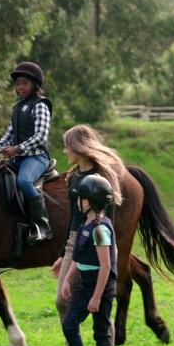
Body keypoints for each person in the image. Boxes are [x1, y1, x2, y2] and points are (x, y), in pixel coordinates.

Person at [51, 125, 124, 323]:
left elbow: (109, 217)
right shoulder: (73, 177)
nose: (65, 151)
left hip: (98, 238)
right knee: (61, 300)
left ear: (77, 147)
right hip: (76, 239)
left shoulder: (104, 176)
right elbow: (74, 217)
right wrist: (62, 254)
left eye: (67, 146)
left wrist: (110, 250)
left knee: (100, 307)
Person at [0, 62, 53, 243]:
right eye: (18, 83)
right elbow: (10, 134)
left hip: (36, 157)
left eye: (25, 83)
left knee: (24, 181)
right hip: (19, 157)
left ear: (34, 85)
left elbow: (40, 136)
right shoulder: (17, 107)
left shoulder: (40, 106)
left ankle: (42, 226)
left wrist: (18, 148)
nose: (20, 87)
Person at [61, 174, 118, 346]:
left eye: (80, 197)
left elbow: (105, 266)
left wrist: (96, 297)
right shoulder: (85, 224)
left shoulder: (101, 230)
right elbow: (79, 256)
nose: (78, 201)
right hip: (85, 284)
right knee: (69, 325)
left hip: (101, 286)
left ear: (89, 201)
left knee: (101, 332)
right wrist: (68, 278)